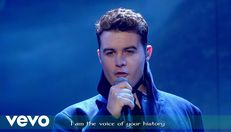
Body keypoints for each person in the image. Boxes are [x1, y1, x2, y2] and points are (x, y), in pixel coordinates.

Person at [53, 8, 204, 132]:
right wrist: (107, 117)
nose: (120, 62)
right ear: (100, 56)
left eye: (129, 51)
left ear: (148, 53)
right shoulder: (71, 118)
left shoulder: (187, 112)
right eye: (110, 53)